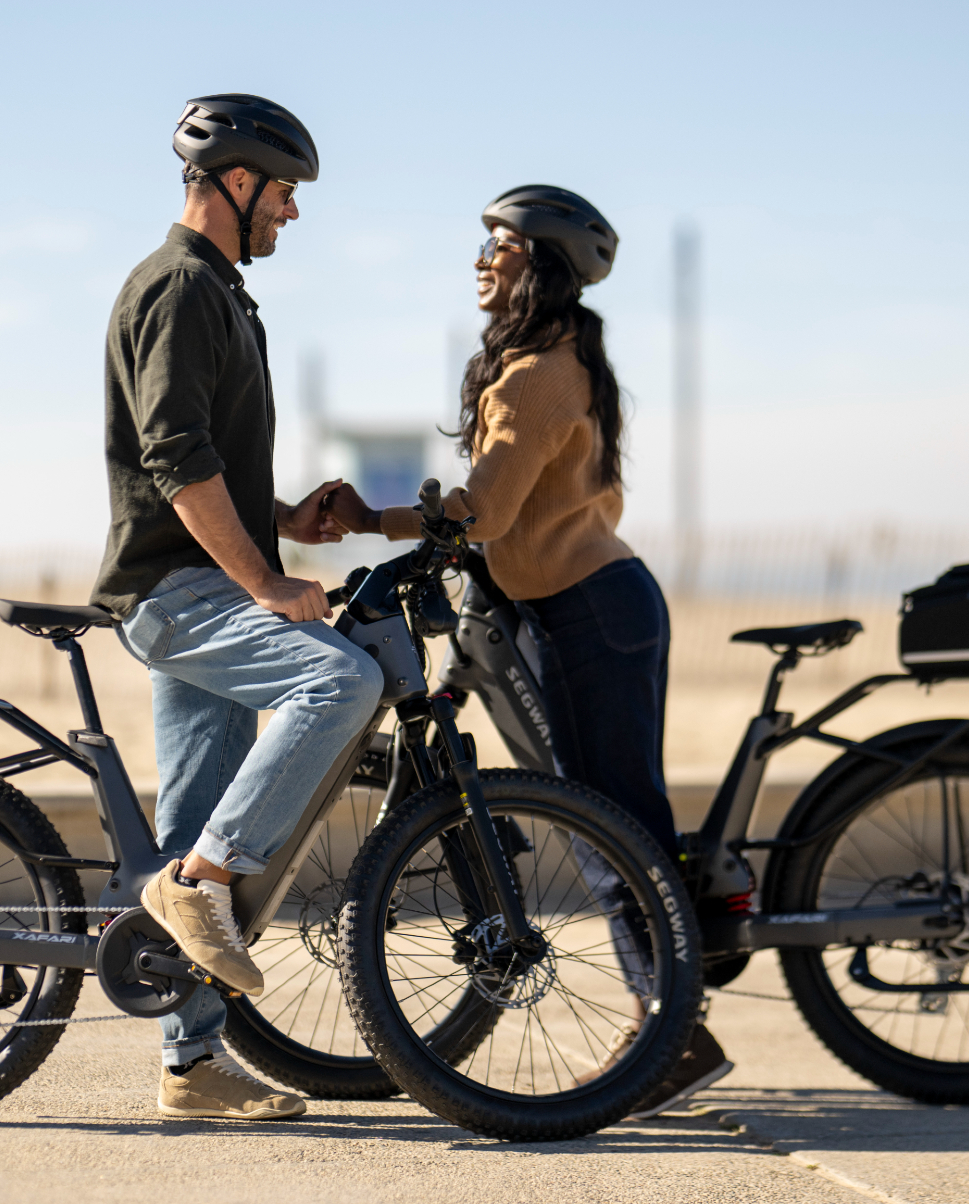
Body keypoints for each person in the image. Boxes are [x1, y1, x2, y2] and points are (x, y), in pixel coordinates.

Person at [323, 184, 732, 1118]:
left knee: (610, 825)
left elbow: (489, 513)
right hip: (574, 608)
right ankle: (667, 1018)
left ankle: (676, 1031)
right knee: (606, 819)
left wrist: (364, 519)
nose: (481, 259)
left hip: (587, 613)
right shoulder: (554, 357)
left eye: (498, 244)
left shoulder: (535, 373)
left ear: (540, 262)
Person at [90, 93, 383, 1122]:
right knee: (340, 677)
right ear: (235, 183)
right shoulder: (176, 288)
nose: (292, 215)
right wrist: (262, 581)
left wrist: (283, 520)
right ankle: (202, 878)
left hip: (204, 581)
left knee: (190, 812)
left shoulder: (216, 292)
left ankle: (190, 1067)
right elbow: (172, 461)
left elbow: (205, 464)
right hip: (180, 594)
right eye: (285, 194)